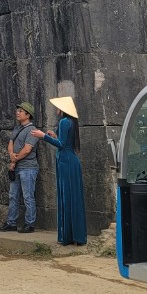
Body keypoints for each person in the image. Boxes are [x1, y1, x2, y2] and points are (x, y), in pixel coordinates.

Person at [32, 94, 87, 245]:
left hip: (66, 162)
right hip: (70, 161)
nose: (56, 109)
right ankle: (76, 235)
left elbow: (62, 145)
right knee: (72, 196)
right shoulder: (70, 122)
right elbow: (65, 141)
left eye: (58, 106)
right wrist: (54, 135)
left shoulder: (64, 121)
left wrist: (43, 136)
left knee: (67, 196)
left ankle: (68, 236)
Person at [0, 101, 40, 233]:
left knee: (28, 196)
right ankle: (11, 222)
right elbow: (11, 143)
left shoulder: (32, 130)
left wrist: (14, 159)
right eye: (18, 110)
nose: (18, 112)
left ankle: (30, 224)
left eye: (21, 111)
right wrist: (12, 155)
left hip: (28, 167)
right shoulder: (17, 128)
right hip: (16, 166)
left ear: (28, 115)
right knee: (13, 195)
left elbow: (27, 150)